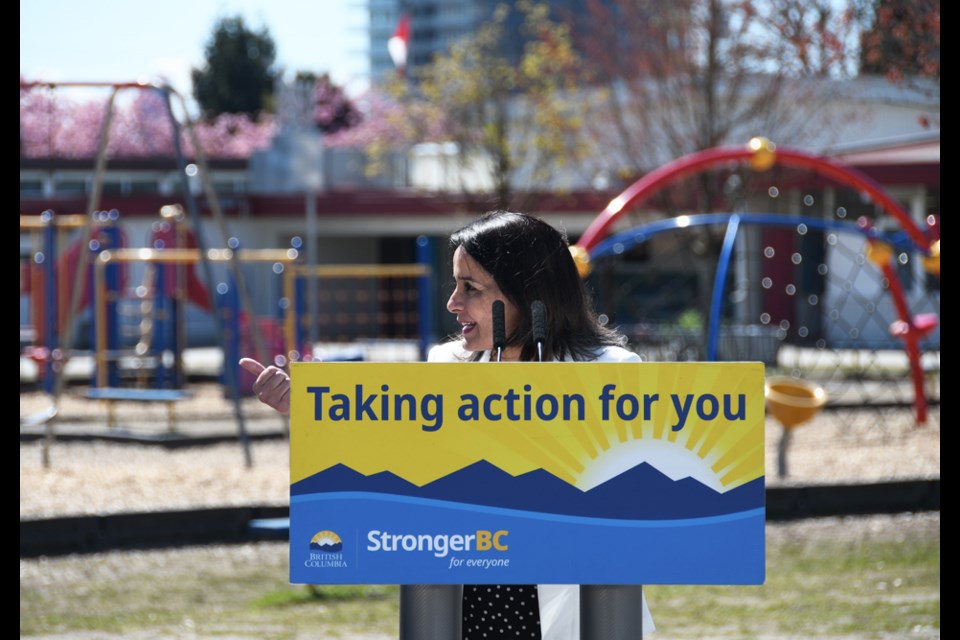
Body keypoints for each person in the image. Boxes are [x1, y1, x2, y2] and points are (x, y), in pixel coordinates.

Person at [240, 210, 654, 639]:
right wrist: (315, 409)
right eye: (455, 285)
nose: (453, 304)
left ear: (531, 294)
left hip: (568, 604)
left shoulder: (611, 372)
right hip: (463, 595)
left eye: (470, 288)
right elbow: (396, 448)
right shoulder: (445, 365)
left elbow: (628, 493)